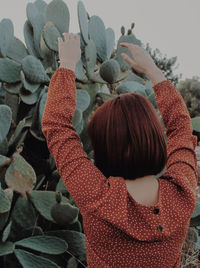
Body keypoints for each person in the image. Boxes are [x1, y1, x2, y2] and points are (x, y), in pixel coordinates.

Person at [41, 33, 198, 268]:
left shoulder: (95, 195)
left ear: (103, 149)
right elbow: (181, 129)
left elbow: (56, 126)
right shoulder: (181, 192)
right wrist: (153, 71)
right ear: (155, 137)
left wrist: (66, 65)